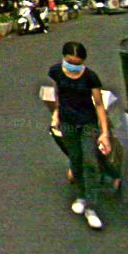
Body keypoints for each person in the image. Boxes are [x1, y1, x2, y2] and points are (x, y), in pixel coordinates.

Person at [48, 41, 114, 230]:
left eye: (78, 64)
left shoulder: (90, 77)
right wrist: (56, 114)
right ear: (63, 58)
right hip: (67, 123)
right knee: (75, 159)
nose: (73, 66)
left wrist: (104, 133)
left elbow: (99, 105)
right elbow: (58, 94)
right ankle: (82, 195)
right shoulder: (56, 72)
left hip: (87, 123)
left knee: (90, 161)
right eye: (70, 62)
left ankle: (91, 207)